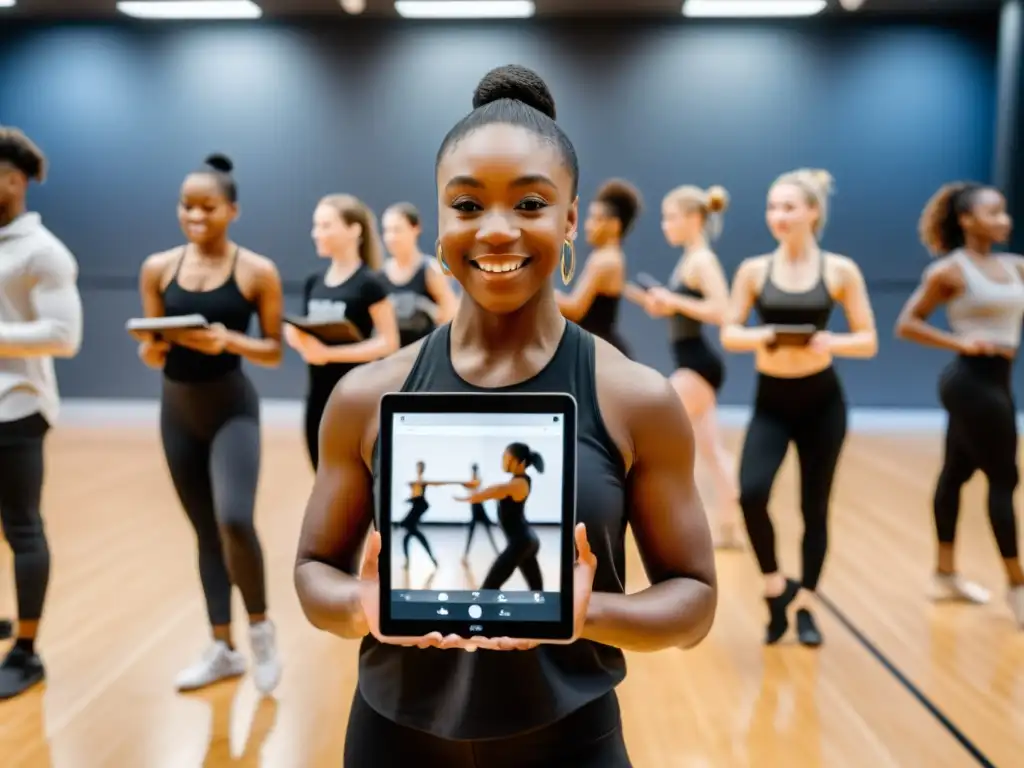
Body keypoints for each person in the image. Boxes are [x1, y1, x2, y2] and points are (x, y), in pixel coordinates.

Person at [294, 64, 716, 767]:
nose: (495, 231)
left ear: (571, 218)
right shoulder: (367, 394)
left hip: (569, 740)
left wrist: (585, 614)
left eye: (529, 205)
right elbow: (314, 570)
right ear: (438, 223)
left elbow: (695, 601)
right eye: (466, 206)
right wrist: (360, 606)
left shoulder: (636, 398)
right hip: (393, 737)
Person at [136, 153, 283, 694]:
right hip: (176, 411)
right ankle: (222, 647)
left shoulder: (257, 271)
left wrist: (227, 340)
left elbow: (271, 351)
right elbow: (152, 346)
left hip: (231, 410)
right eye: (186, 206)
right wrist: (151, 351)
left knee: (235, 521)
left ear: (232, 210)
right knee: (204, 531)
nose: (195, 216)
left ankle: (262, 630)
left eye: (207, 207)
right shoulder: (157, 267)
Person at [721, 168, 877, 647]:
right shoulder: (753, 270)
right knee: (750, 494)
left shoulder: (840, 270)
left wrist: (831, 342)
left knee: (814, 507)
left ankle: (806, 603)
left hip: (822, 404)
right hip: (772, 402)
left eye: (788, 206)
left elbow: (867, 339)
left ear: (812, 212)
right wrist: (764, 334)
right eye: (772, 207)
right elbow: (730, 332)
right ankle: (775, 586)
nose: (778, 216)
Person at [894, 181, 1024, 626]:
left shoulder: (1015, 267)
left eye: (1004, 212)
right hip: (970, 383)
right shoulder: (949, 271)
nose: (1003, 220)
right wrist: (960, 343)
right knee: (1005, 478)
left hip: (999, 382)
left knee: (955, 473)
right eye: (993, 212)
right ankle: (1018, 587)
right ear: (967, 220)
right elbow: (907, 323)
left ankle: (944, 574)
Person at [0, 127, 83, 700]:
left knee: (23, 529)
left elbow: (63, 335)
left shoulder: (43, 252)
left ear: (14, 179)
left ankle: (27, 652)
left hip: (17, 410)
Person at [639, 184, 741, 549]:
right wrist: (666, 304)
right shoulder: (689, 259)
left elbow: (723, 311)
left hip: (697, 364)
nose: (665, 225)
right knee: (712, 450)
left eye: (671, 217)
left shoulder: (702, 260)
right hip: (693, 361)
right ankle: (731, 527)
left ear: (694, 219)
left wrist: (674, 301)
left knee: (653, 435)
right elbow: (687, 306)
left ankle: (664, 525)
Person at [286, 194, 399, 469]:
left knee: (356, 478)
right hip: (317, 397)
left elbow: (388, 342)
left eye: (326, 225)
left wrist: (330, 354)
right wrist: (296, 338)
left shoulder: (370, 284)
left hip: (355, 398)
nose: (317, 233)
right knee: (321, 472)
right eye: (316, 226)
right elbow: (305, 332)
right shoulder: (314, 281)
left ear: (353, 230)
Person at [555, 179, 639, 356]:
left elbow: (575, 309)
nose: (588, 225)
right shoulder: (609, 256)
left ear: (614, 225)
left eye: (596, 219)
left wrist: (538, 293)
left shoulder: (605, 260)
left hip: (599, 353)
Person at [455, 443, 544, 591]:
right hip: (526, 540)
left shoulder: (519, 483)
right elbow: (498, 489)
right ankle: (544, 611)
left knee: (488, 588)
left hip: (521, 543)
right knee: (536, 590)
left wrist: (472, 496)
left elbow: (498, 489)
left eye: (506, 457)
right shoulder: (518, 480)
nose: (502, 460)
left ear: (519, 462)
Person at [380, 202, 458, 347]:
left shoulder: (431, 270)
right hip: (392, 357)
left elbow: (451, 315)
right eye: (387, 231)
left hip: (422, 352)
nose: (391, 237)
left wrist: (426, 309)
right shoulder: (381, 273)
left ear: (415, 229)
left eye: (397, 230)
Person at [399, 461, 446, 570]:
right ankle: (430, 559)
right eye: (417, 467)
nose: (418, 469)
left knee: (409, 529)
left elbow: (419, 497)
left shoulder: (421, 481)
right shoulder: (416, 481)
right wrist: (409, 499)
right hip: (417, 506)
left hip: (419, 507)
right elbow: (415, 496)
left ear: (422, 468)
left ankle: (427, 559)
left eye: (420, 467)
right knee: (409, 534)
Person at [461, 462, 500, 563]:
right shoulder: (473, 481)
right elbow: (470, 491)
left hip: (479, 509)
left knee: (488, 532)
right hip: (475, 509)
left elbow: (474, 488)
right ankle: (465, 555)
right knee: (475, 532)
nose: (473, 472)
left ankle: (497, 553)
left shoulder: (477, 481)